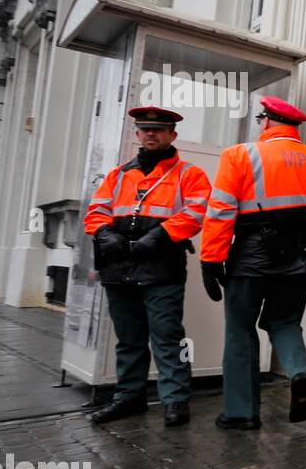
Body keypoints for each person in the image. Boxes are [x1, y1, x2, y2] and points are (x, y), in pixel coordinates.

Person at [199, 95, 306, 430]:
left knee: (240, 332)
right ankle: (299, 375)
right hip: (297, 263)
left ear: (267, 121)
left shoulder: (240, 155)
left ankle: (241, 413)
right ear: (295, 127)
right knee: (285, 324)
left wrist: (211, 259)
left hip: (249, 263)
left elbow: (221, 211)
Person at [83, 106, 211, 427]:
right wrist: (104, 232)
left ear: (172, 135)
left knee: (170, 338)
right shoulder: (117, 175)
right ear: (137, 133)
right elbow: (96, 211)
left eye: (158, 129)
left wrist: (160, 236)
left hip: (161, 268)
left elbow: (196, 212)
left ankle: (176, 399)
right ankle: (129, 397)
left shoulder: (189, 174)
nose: (151, 134)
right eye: (145, 129)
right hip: (120, 270)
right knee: (129, 338)